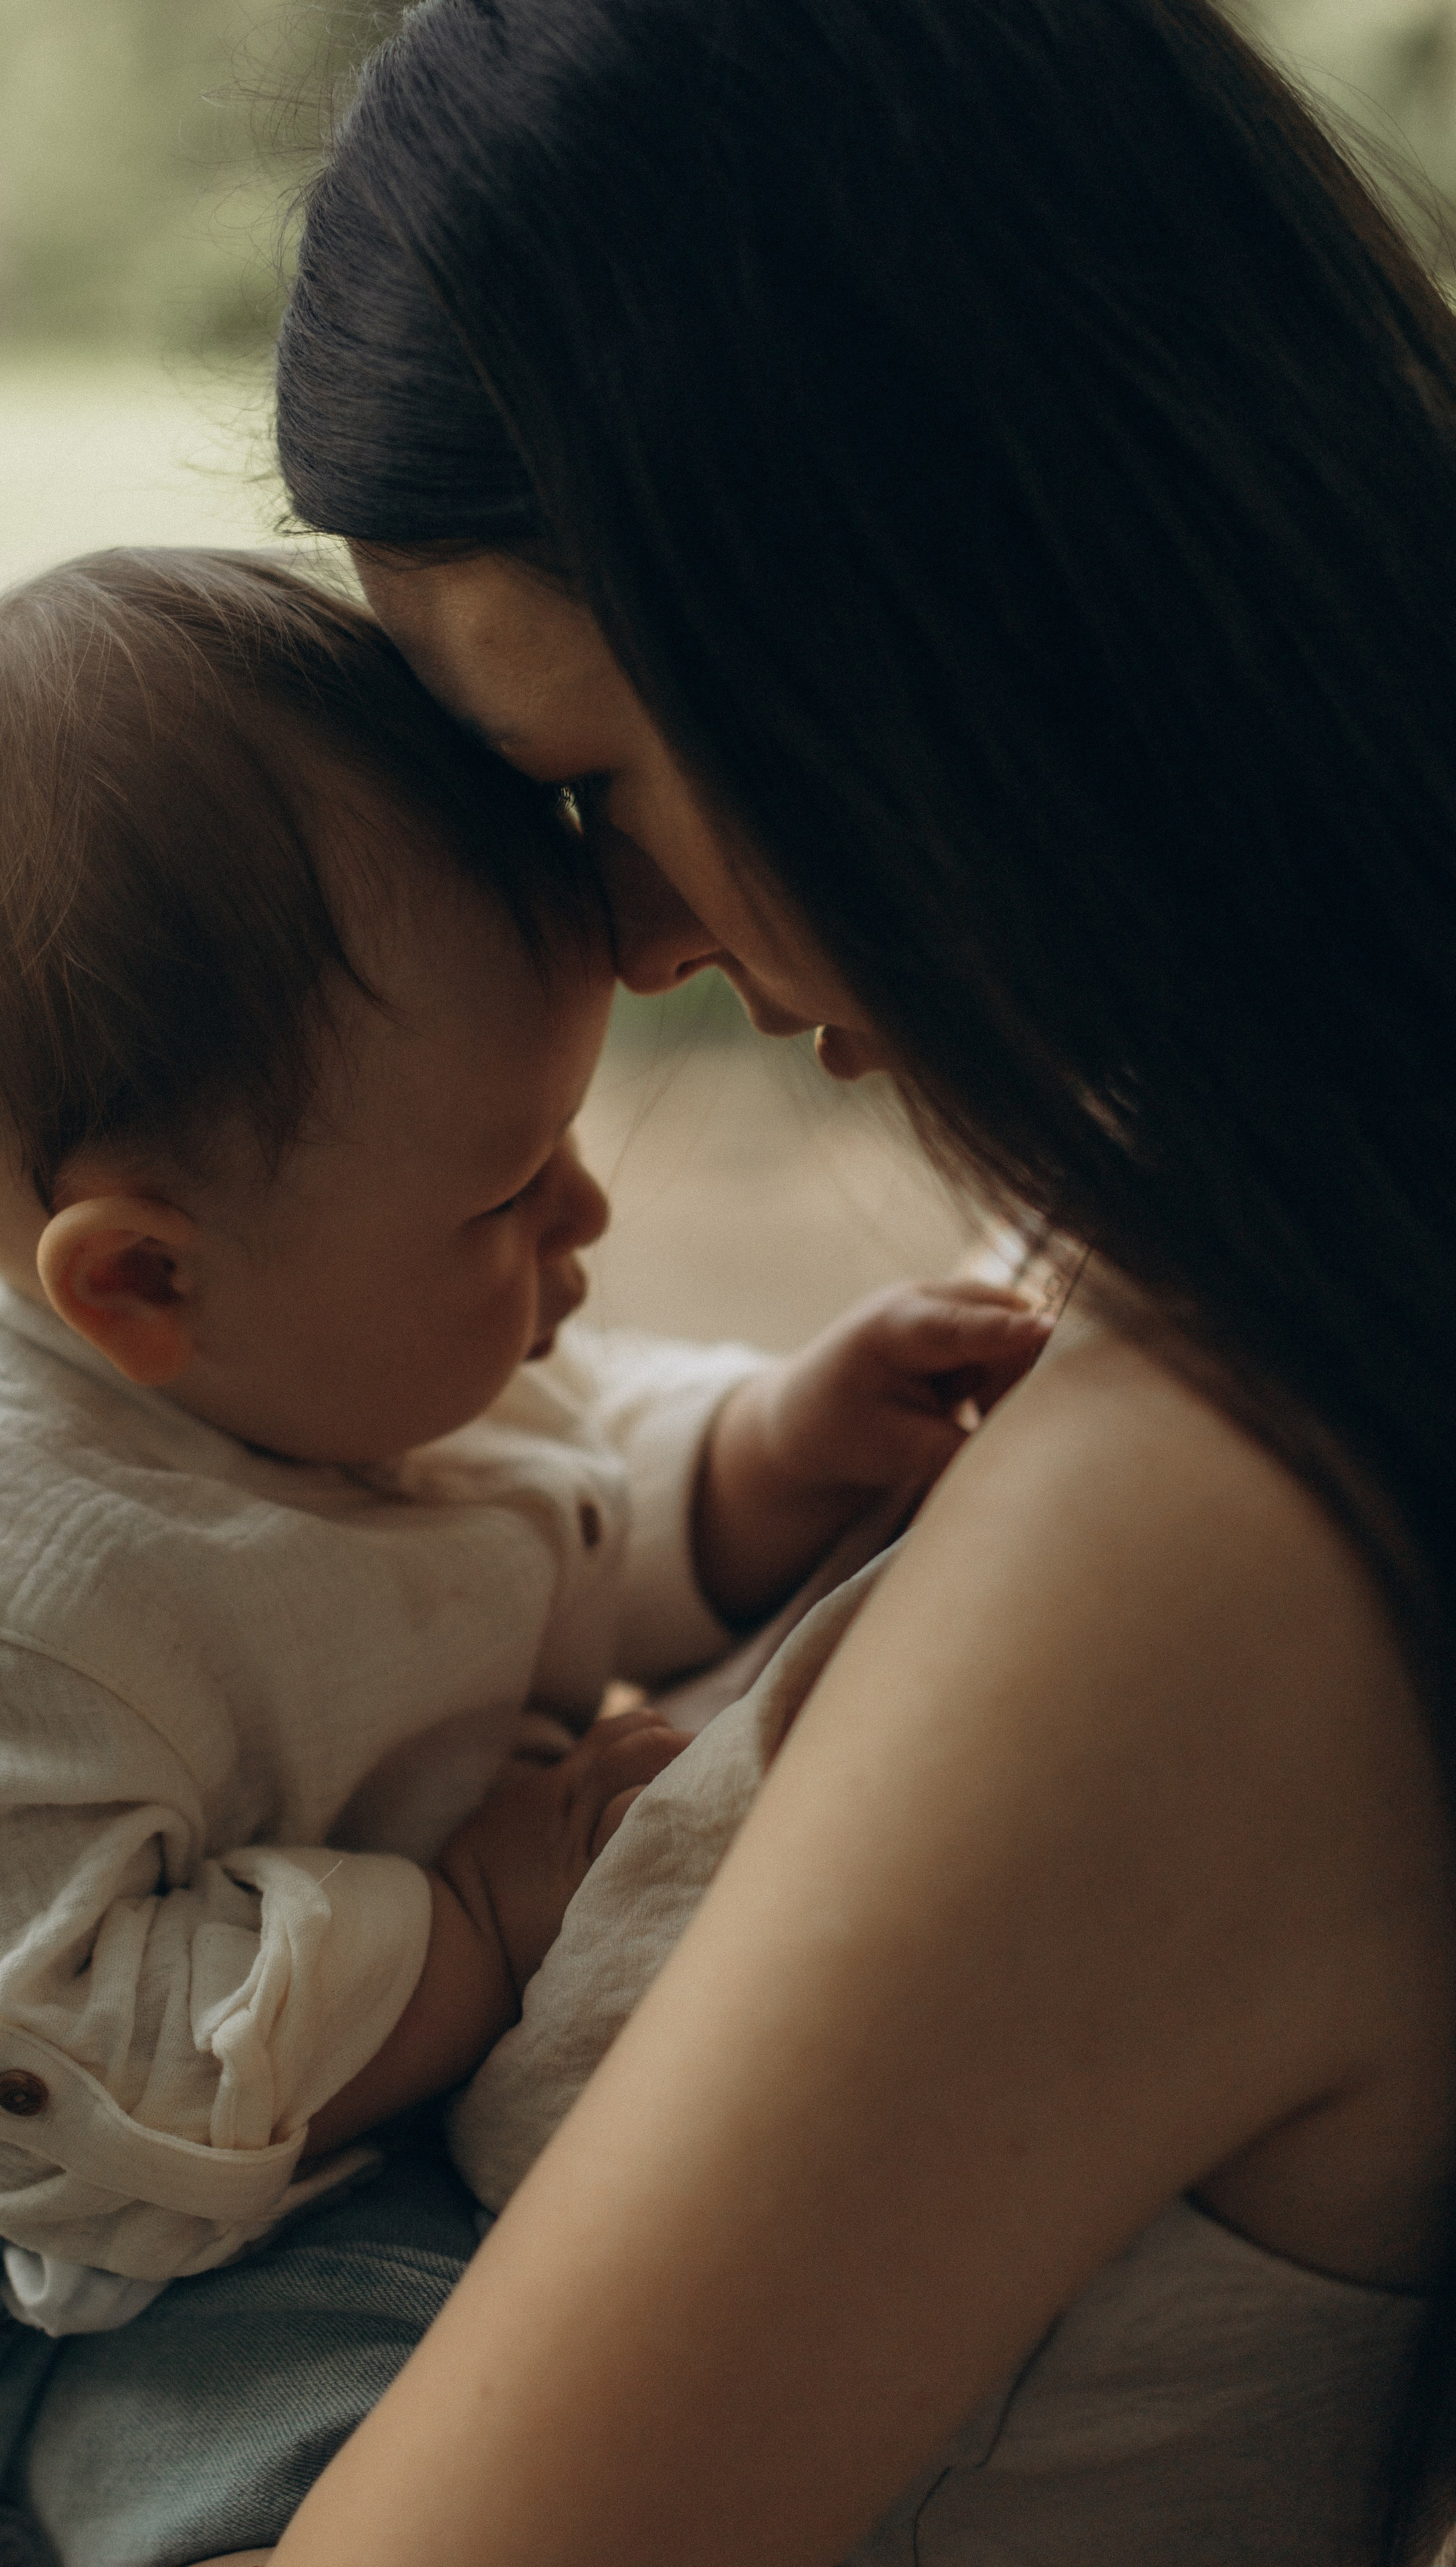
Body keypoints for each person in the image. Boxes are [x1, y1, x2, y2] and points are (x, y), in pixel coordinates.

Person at [205, 0, 1455, 2560]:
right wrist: (80, 1660)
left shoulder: (1200, 1524)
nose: (626, 935)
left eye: (594, 784)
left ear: (929, 625)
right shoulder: (1222, 1246)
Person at [0, 543, 1042, 2567]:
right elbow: (67, 2080)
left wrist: (778, 1446)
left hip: (339, 2154)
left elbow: (552, 1492)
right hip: (107, 2294)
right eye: (513, 1190)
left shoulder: (296, 1349)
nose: (586, 1221)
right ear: (146, 1279)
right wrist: (470, 1924)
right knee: (371, 2495)